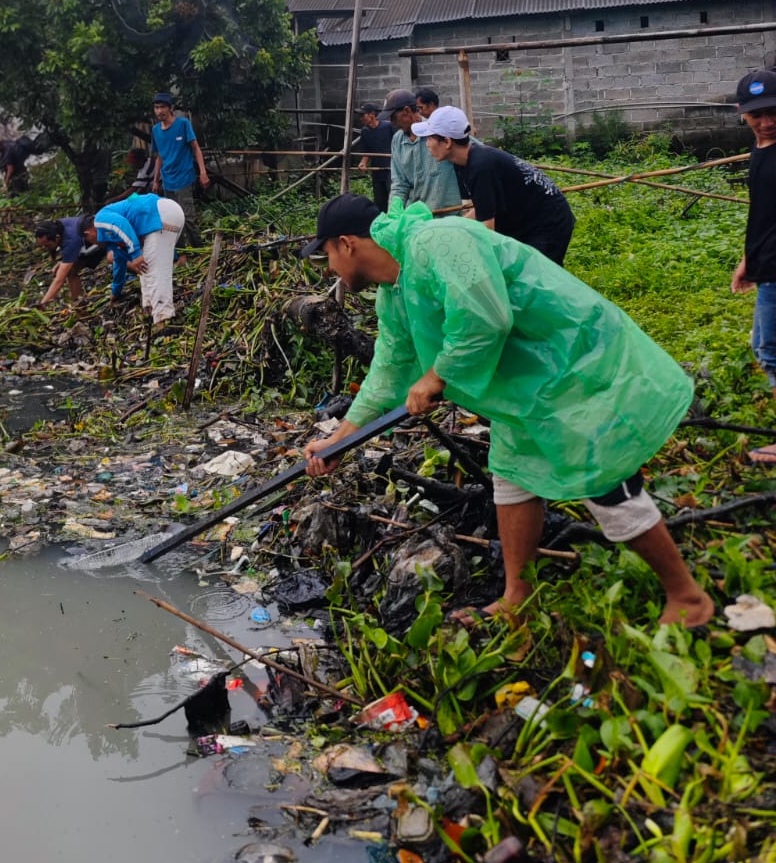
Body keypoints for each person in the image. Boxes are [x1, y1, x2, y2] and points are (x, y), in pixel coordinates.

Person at [300, 194, 714, 629]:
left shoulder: (438, 240)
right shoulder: (394, 292)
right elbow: (388, 365)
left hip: (572, 362)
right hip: (526, 387)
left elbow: (486, 316)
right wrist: (341, 438)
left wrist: (436, 376)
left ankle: (688, 597)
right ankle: (518, 596)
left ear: (346, 243)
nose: (330, 270)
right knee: (513, 476)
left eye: (326, 255)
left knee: (604, 477)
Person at [415, 106, 575, 264]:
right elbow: (480, 209)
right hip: (522, 216)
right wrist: (449, 230)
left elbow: (486, 230)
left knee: (538, 277)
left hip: (548, 220)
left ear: (447, 141)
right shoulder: (461, 163)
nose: (427, 144)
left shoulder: (481, 166)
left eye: (429, 138)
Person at [730, 70, 776, 419]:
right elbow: (761, 214)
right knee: (762, 347)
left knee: (769, 349)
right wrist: (749, 260)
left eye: (774, 112)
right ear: (742, 112)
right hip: (766, 263)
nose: (767, 122)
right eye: (757, 114)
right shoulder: (759, 150)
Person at [87, 192, 186, 325]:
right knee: (145, 268)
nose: (94, 243)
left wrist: (135, 253)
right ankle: (149, 310)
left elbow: (121, 224)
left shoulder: (100, 218)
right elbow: (119, 264)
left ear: (88, 233)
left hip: (158, 215)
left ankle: (163, 319)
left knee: (153, 272)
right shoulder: (113, 241)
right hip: (168, 214)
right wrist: (115, 292)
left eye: (89, 240)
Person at [151, 92, 209, 246]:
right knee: (172, 219)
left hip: (184, 178)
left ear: (171, 108)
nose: (159, 111)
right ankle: (181, 253)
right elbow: (159, 157)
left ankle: (199, 249)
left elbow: (196, 148)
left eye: (162, 107)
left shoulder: (183, 124)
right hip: (167, 181)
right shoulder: (155, 130)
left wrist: (203, 172)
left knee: (188, 218)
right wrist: (156, 181)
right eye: (156, 107)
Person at [391, 88, 462, 213]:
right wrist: (394, 210)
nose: (391, 122)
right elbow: (399, 182)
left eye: (393, 117)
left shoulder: (438, 130)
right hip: (417, 217)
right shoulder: (398, 140)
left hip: (447, 214)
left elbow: (469, 151)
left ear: (407, 111)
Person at [33, 218, 107, 307]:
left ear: (57, 238)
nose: (45, 248)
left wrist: (42, 304)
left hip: (100, 240)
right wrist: (63, 262)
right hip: (86, 241)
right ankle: (78, 301)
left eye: (47, 245)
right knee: (70, 270)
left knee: (67, 271)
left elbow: (59, 280)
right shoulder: (59, 225)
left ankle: (78, 302)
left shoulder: (70, 241)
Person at [356, 104, 393, 212]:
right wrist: (363, 163)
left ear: (372, 115)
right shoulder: (365, 131)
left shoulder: (388, 126)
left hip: (391, 169)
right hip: (377, 171)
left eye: (363, 115)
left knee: (393, 197)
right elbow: (366, 151)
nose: (361, 118)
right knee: (380, 200)